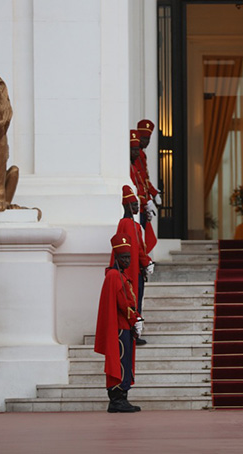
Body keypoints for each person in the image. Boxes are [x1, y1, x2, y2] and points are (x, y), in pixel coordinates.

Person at [94, 232, 144, 413]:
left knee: (125, 361)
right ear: (116, 257)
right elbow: (123, 302)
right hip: (120, 327)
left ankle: (121, 398)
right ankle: (117, 399)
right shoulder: (115, 276)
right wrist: (135, 318)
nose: (127, 261)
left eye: (129, 257)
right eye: (124, 257)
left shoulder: (118, 275)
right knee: (121, 362)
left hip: (124, 326)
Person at [111, 185, 153, 346]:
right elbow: (135, 248)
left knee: (136, 298)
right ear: (127, 205)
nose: (137, 208)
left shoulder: (131, 224)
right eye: (134, 205)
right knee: (133, 299)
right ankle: (134, 331)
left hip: (137, 269)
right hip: (132, 270)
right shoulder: (128, 224)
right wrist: (146, 261)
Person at [130, 130, 157, 253]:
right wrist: (146, 202)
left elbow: (143, 181)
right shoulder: (132, 167)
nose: (146, 142)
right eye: (144, 138)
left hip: (142, 204)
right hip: (138, 206)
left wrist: (152, 195)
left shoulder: (135, 164)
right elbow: (137, 187)